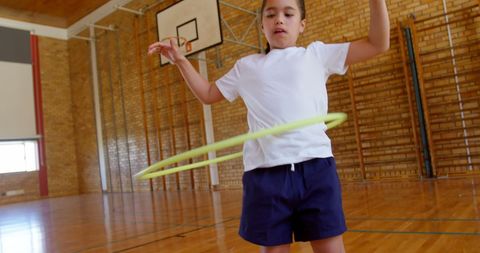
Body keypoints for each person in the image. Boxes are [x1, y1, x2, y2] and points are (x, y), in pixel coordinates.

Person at [147, 0, 390, 252]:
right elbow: (208, 94)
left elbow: (377, 44)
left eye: (288, 13)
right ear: (262, 25)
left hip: (316, 169)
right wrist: (180, 60)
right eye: (271, 14)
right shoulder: (247, 66)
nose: (279, 20)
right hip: (265, 175)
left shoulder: (317, 55)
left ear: (302, 24)